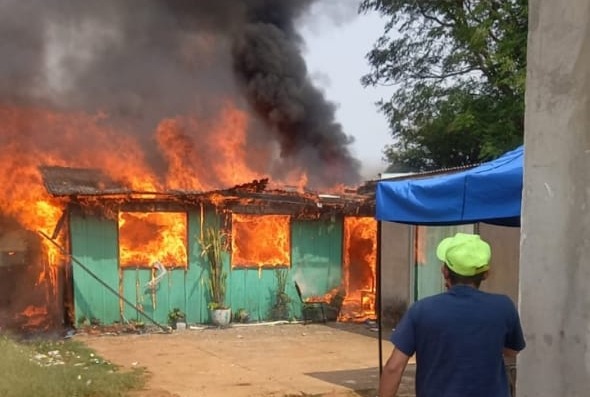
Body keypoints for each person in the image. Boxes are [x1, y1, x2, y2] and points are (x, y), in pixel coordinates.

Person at [379, 232, 525, 397]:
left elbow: (394, 368)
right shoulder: (503, 307)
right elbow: (512, 351)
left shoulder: (421, 310)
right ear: (486, 274)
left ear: (445, 272)